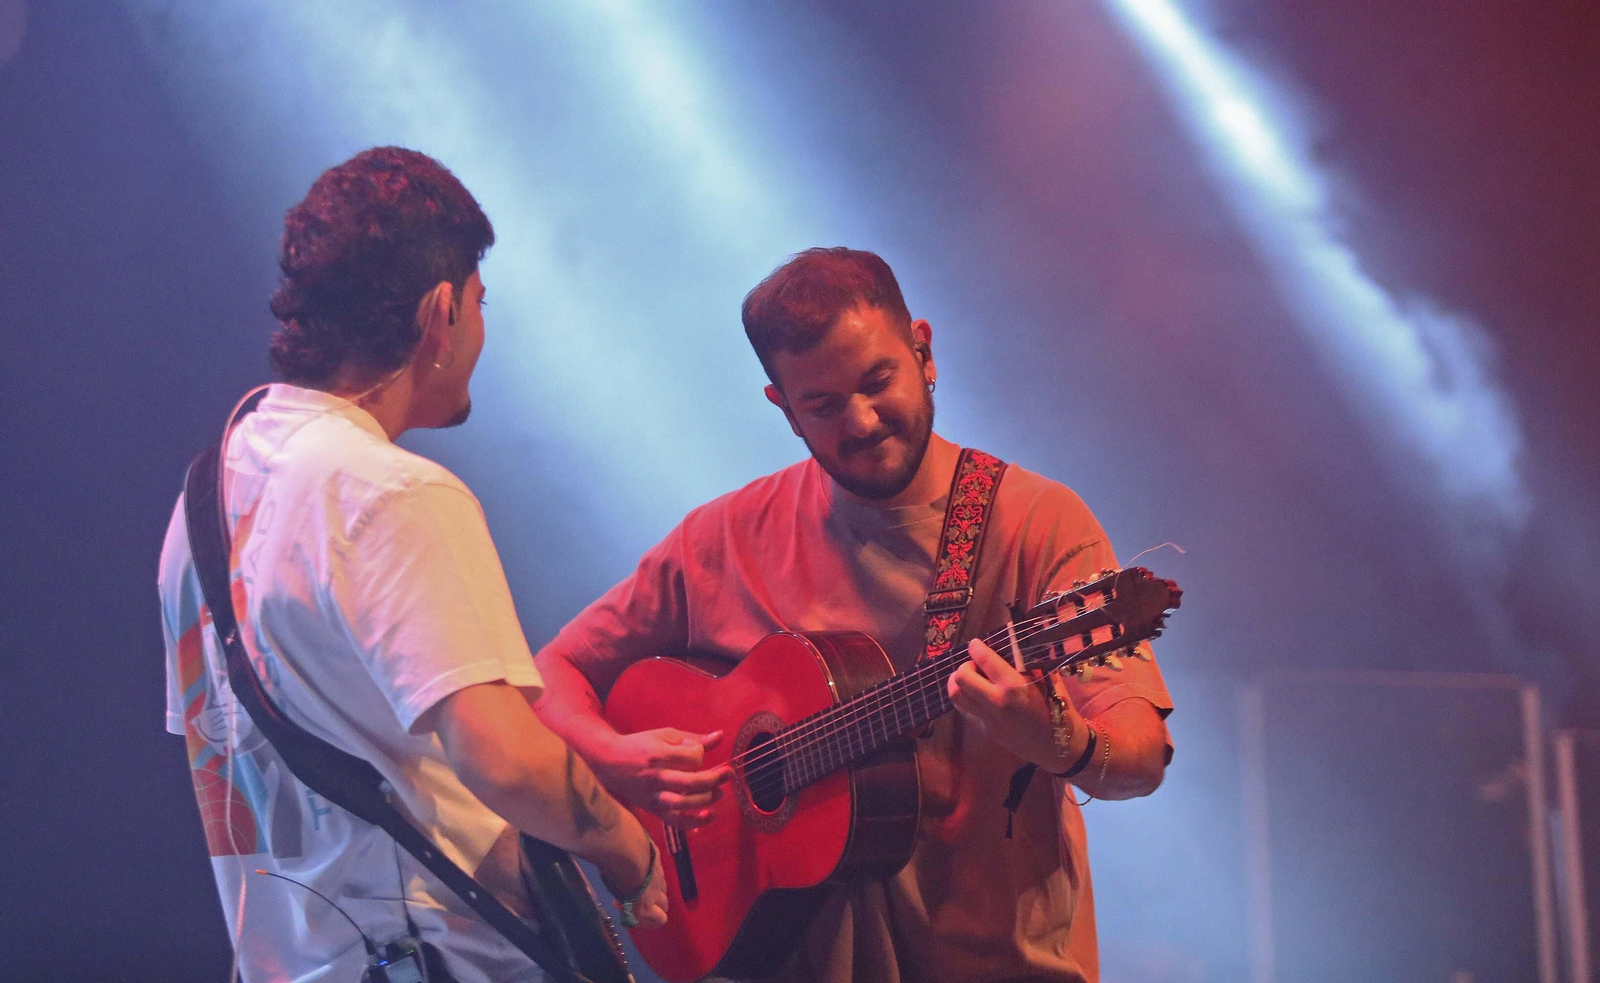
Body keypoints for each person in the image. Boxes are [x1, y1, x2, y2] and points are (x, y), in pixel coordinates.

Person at [533, 247, 1174, 983]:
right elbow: (554, 670)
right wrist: (613, 757)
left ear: (924, 351)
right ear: (782, 406)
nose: (863, 421)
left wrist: (1059, 737)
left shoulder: (1032, 521)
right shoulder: (725, 537)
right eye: (825, 405)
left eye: (878, 382)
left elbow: (1142, 755)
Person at [158, 147, 665, 983]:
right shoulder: (392, 493)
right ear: (441, 311)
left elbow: (218, 768)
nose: (482, 328)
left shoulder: (202, 504)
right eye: (480, 300)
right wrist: (627, 847)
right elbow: (503, 758)